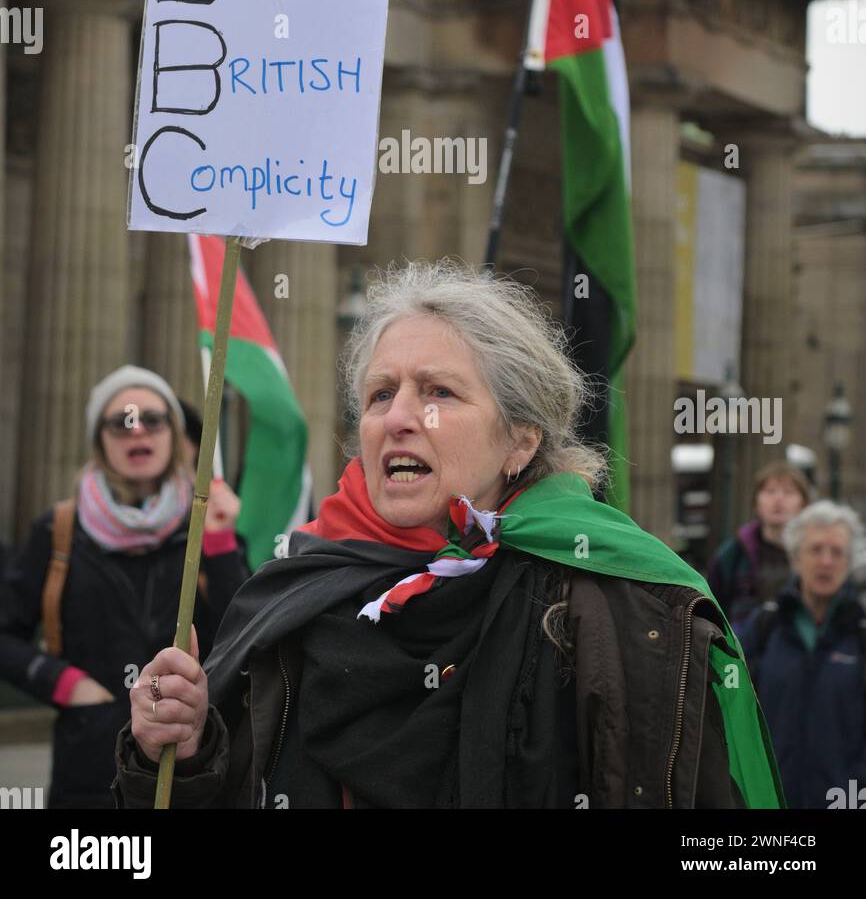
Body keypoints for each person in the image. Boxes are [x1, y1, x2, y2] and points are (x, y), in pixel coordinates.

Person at [113, 262, 783, 810]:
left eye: (438, 393)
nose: (399, 417)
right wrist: (183, 749)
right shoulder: (290, 593)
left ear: (521, 439)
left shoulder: (626, 609)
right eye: (380, 395)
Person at [0, 365, 249, 808]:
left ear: (173, 434)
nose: (138, 432)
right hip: (89, 776)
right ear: (100, 440)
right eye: (121, 422)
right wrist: (64, 684)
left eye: (152, 419)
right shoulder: (57, 531)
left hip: (191, 773)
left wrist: (221, 545)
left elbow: (247, 639)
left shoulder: (207, 524)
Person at [738, 500, 866, 809]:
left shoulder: (861, 637)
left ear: (848, 563)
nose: (826, 561)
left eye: (837, 552)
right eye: (815, 549)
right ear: (795, 559)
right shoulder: (764, 628)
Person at [707, 461, 810, 632]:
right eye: (770, 491)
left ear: (804, 504)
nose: (778, 499)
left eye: (788, 492)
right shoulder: (732, 554)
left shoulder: (816, 552)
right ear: (756, 502)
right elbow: (713, 609)